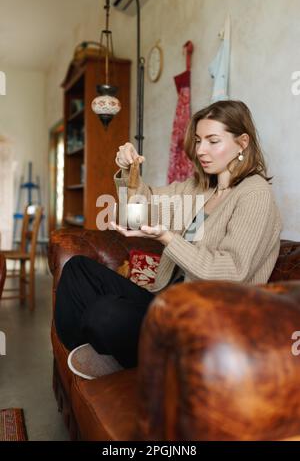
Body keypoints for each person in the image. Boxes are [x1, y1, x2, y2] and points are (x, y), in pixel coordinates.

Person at [54, 100, 282, 378]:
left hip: (207, 320)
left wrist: (168, 238)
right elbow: (141, 208)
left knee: (105, 314)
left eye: (213, 141)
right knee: (78, 269)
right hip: (167, 302)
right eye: (198, 140)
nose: (200, 150)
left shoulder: (254, 193)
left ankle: (120, 353)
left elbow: (232, 272)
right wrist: (130, 171)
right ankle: (103, 353)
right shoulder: (200, 187)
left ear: (242, 142)